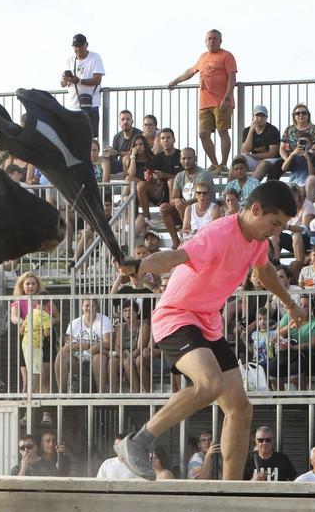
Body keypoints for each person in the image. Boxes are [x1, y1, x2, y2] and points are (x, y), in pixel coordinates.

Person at [115, 182, 304, 480]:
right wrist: (142, 265)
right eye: (274, 223)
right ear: (256, 210)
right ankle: (138, 441)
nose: (275, 231)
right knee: (210, 384)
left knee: (240, 409)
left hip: (207, 322)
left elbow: (264, 271)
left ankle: (231, 492)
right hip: (176, 317)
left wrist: (290, 304)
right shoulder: (217, 234)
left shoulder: (256, 241)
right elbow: (176, 256)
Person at [168, 29, 236, 173]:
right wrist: (175, 81)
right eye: (209, 39)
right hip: (205, 103)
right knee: (203, 134)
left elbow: (232, 77)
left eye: (215, 39)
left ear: (220, 41)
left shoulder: (226, 56)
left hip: (221, 101)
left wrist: (227, 97)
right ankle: (215, 163)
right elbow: (191, 71)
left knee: (222, 131)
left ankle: (223, 164)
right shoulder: (203, 57)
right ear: (205, 41)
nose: (212, 41)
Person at [60, 34, 104, 134]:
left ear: (86, 45)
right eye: (75, 46)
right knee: (73, 137)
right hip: (72, 106)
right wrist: (66, 79)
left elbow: (97, 80)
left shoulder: (95, 57)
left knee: (90, 138)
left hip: (91, 105)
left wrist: (79, 81)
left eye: (80, 46)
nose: (78, 49)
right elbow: (62, 84)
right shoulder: (70, 59)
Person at [241, 104, 282, 179]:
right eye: (257, 116)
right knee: (239, 158)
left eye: (262, 116)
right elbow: (246, 150)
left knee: (263, 164)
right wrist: (251, 131)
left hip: (271, 160)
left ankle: (249, 188)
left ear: (266, 118)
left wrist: (253, 156)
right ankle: (229, 189)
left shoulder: (272, 130)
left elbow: (272, 154)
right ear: (253, 117)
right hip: (255, 160)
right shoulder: (247, 130)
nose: (260, 118)